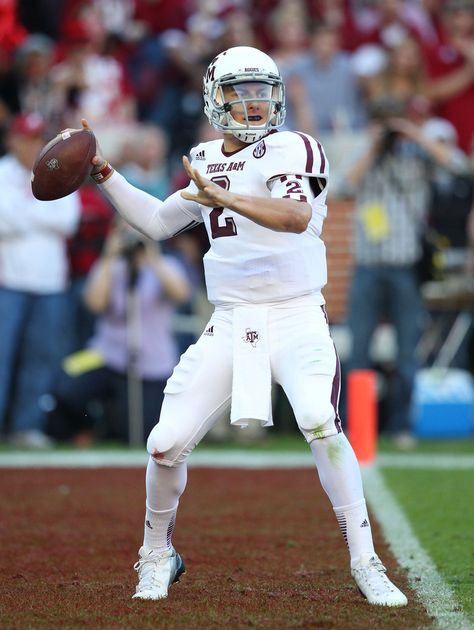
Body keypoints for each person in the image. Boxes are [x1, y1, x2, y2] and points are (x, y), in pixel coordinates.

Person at [79, 46, 407, 606]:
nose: (255, 104)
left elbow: (295, 216)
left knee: (318, 419)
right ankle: (157, 553)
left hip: (296, 313)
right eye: (241, 92)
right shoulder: (204, 157)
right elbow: (158, 223)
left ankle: (366, 560)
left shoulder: (294, 147)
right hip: (231, 321)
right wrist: (105, 174)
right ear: (214, 99)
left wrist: (221, 195)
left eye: (262, 91)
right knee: (164, 443)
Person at [342, 98, 469, 447]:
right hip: (367, 267)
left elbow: (459, 167)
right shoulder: (364, 154)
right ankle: (358, 428)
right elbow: (341, 185)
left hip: (405, 269)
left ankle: (402, 426)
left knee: (406, 353)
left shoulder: (418, 157)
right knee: (360, 352)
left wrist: (414, 134)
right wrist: (373, 146)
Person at [46, 219, 191, 445]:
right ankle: (85, 429)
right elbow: (94, 304)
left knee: (140, 430)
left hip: (151, 364)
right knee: (66, 384)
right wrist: (109, 256)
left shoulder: (166, 265)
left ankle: (108, 427)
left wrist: (152, 257)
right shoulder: (110, 268)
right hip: (106, 355)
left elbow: (181, 295)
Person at [0, 112, 80, 448]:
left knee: (41, 357)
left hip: (50, 283)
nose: (31, 145)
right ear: (13, 140)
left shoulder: (57, 166)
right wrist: (40, 213)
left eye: (36, 139)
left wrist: (24, 214)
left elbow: (69, 221)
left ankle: (26, 426)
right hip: (8, 281)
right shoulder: (3, 172)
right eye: (26, 138)